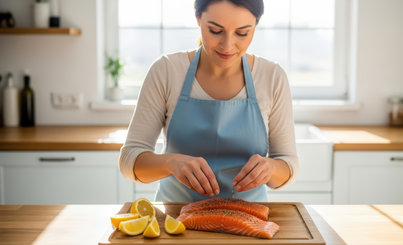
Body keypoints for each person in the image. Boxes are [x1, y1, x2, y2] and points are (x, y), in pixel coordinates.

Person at [119, 0, 299, 202]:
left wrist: (270, 168)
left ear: (255, 26)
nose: (227, 45)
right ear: (198, 19)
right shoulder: (167, 70)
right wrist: (170, 163)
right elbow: (129, 161)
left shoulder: (272, 76)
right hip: (175, 221)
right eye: (215, 30)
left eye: (242, 33)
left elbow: (288, 164)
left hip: (250, 220)